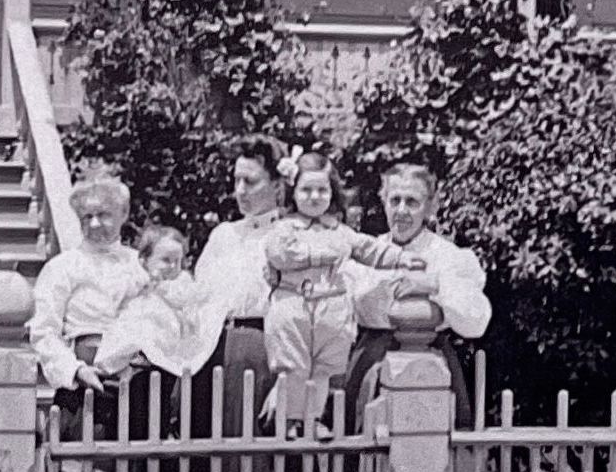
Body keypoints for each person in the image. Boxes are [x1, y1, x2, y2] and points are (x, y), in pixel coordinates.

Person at [260, 151, 422, 429]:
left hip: (330, 309)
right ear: (293, 192)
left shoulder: (339, 230)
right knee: (294, 366)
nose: (314, 197)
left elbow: (368, 248)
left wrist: (400, 258)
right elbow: (279, 254)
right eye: (306, 190)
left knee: (324, 368)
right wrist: (321, 254)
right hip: (294, 305)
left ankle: (312, 419)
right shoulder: (285, 228)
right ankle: (290, 420)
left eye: (322, 190)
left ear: (332, 193)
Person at [340, 161, 492, 430]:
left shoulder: (447, 256)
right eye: (394, 200)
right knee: (367, 444)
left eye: (412, 202)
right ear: (383, 201)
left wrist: (434, 284)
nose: (401, 211)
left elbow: (476, 322)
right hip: (368, 362)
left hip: (431, 364)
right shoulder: (365, 254)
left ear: (430, 207)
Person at [26, 165, 149, 398]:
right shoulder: (62, 267)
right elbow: (43, 331)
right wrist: (75, 370)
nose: (94, 224)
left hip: (137, 382)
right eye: (87, 217)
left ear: (123, 213)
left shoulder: (140, 265)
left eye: (103, 215)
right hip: (83, 383)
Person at [192, 135, 290, 425]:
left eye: (251, 181)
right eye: (236, 180)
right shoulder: (223, 235)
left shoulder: (291, 235)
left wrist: (287, 379)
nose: (240, 190)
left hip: (264, 351)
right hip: (214, 351)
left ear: (276, 185)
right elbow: (199, 298)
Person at [94, 223, 226, 382]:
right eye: (166, 260)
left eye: (178, 261)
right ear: (144, 261)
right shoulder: (137, 290)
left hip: (177, 364)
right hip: (144, 367)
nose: (173, 267)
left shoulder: (183, 289)